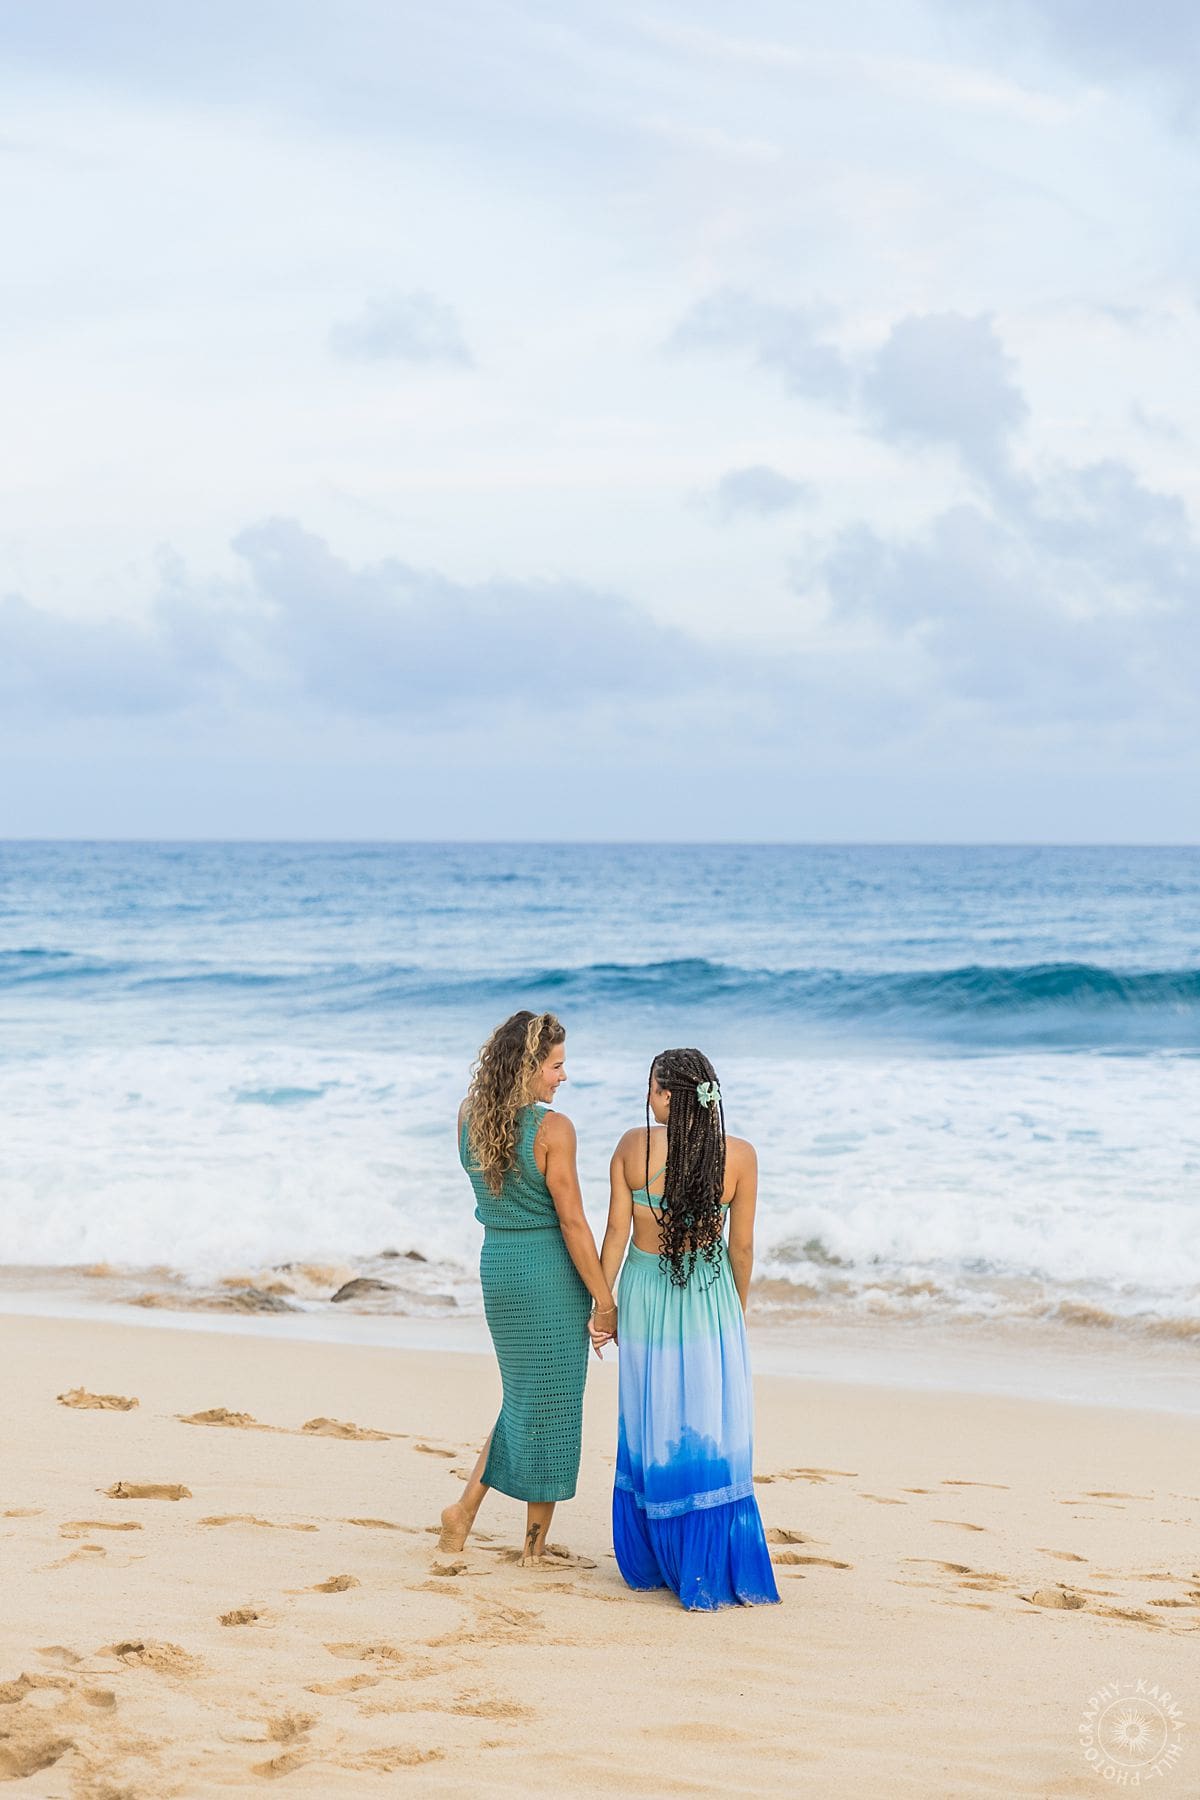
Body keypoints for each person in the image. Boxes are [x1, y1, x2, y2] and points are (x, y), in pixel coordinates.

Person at [595, 1047, 780, 1610]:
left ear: (671, 1097)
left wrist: (604, 1308)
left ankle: (653, 1555)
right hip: (708, 1296)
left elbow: (616, 1237)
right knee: (707, 1417)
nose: (648, 1098)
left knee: (651, 1415)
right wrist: (734, 1310)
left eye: (653, 1088)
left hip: (646, 1292)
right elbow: (741, 1249)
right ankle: (707, 1554)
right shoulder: (740, 1157)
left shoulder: (632, 1147)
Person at [440, 1010, 616, 1565]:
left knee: (525, 1399)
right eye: (556, 1066)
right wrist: (605, 1301)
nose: (562, 1077)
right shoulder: (552, 1129)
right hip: (547, 1273)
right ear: (529, 1066)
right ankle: (532, 1551)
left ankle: (465, 1511)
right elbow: (573, 1223)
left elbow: (492, 1192)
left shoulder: (471, 1115)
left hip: (499, 1265)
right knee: (555, 1405)